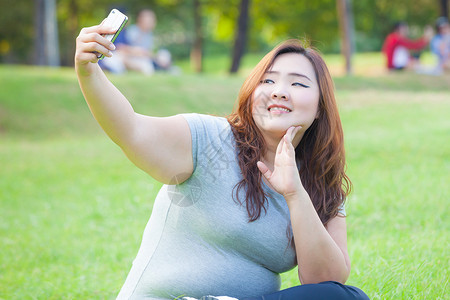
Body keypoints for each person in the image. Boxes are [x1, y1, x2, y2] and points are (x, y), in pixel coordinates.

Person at [75, 20, 370, 300]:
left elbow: (327, 283)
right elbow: (131, 129)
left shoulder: (321, 181)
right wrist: (88, 72)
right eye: (268, 81)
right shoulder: (211, 138)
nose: (279, 91)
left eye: (298, 84)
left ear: (320, 107)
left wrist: (295, 194)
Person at [100, 8, 174, 75]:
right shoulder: (131, 32)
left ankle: (166, 68)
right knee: (147, 66)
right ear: (140, 20)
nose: (151, 22)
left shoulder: (149, 34)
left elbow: (147, 51)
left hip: (143, 57)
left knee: (164, 55)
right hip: (132, 58)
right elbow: (122, 48)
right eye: (148, 20)